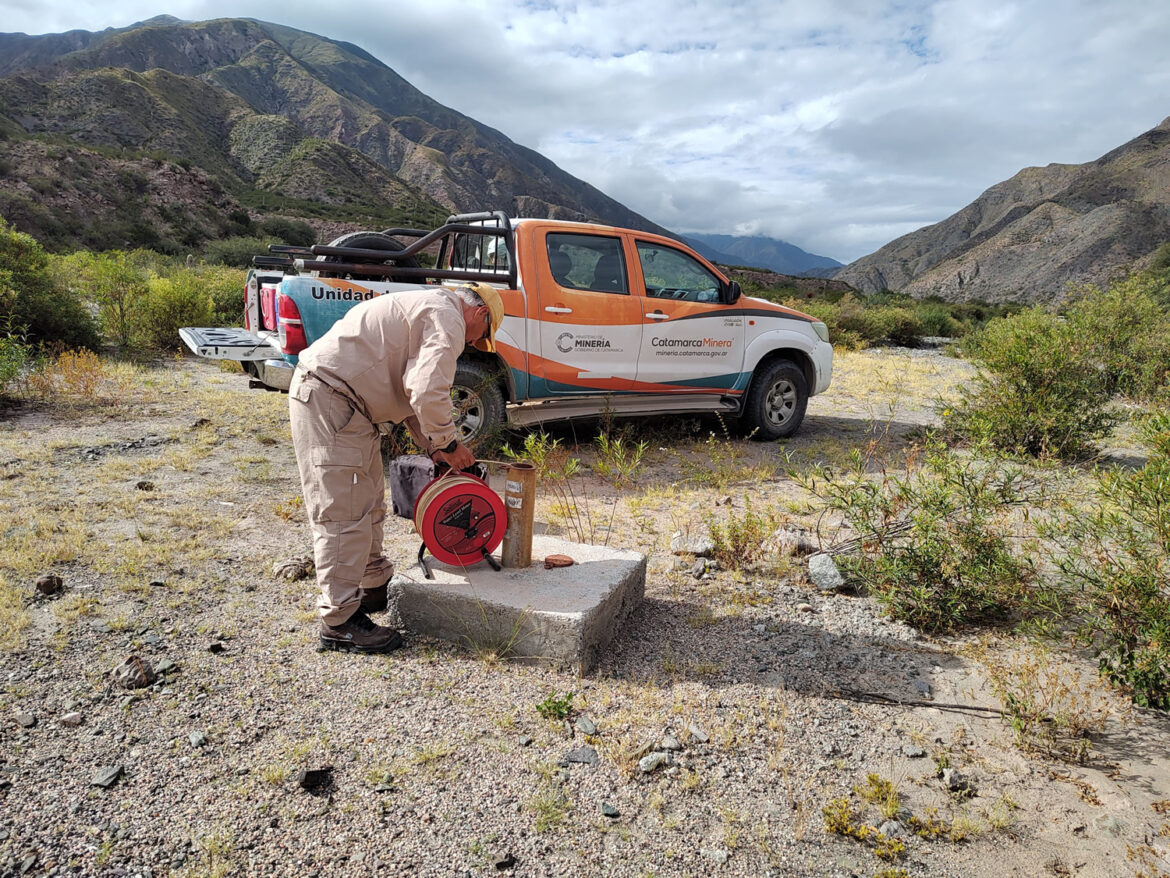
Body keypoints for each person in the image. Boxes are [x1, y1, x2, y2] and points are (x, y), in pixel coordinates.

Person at [288, 282, 503, 653]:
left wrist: (436, 450)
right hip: (333, 401)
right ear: (480, 314)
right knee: (343, 513)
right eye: (480, 337)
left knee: (368, 503)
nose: (473, 344)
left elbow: (411, 397)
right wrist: (449, 444)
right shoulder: (447, 317)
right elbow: (426, 391)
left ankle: (372, 586)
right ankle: (338, 621)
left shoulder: (429, 307)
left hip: (347, 405)